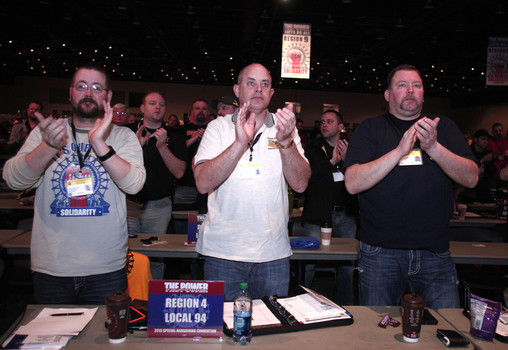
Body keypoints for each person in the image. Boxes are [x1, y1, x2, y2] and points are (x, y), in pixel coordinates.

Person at [2, 63, 146, 304]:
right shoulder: (46, 133)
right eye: (81, 86)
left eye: (96, 87)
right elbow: (14, 180)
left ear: (108, 96)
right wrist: (48, 146)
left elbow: (134, 185)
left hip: (106, 268)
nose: (88, 93)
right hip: (52, 267)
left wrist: (100, 144)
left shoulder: (122, 136)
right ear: (70, 93)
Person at [344, 64, 478, 309]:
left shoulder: (443, 128)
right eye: (402, 85)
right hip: (380, 253)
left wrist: (434, 148)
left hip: (434, 252)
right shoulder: (370, 129)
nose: (410, 90)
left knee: (446, 331)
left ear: (423, 95)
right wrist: (399, 152)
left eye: (416, 85)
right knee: (375, 335)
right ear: (388, 95)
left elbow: (471, 178)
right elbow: (352, 183)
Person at [194, 63, 311, 301]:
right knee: (223, 331)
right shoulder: (218, 127)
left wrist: (286, 141)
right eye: (251, 83)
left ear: (271, 92)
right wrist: (240, 142)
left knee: (271, 332)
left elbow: (300, 184)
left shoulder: (285, 130)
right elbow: (203, 183)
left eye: (265, 84)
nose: (258, 89)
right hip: (222, 254)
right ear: (237, 90)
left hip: (272, 255)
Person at [300, 110, 358, 305]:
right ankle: (302, 301)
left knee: (346, 263)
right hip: (318, 213)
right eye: (322, 122)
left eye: (330, 121)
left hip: (345, 213)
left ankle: (346, 304)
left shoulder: (353, 147)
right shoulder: (312, 148)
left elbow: (360, 175)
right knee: (309, 261)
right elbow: (308, 179)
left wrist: (348, 159)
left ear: (341, 127)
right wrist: (332, 161)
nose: (324, 125)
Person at [126, 91, 187, 234]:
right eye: (152, 103)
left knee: (155, 250)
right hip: (128, 203)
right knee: (128, 251)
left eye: (161, 104)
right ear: (142, 108)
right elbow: (117, 168)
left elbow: (179, 172)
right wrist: (136, 147)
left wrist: (162, 147)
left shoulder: (175, 135)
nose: (157, 107)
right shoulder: (129, 132)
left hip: (159, 204)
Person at [174, 99, 209, 211]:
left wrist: (206, 138)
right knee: (181, 223)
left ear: (208, 112)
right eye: (197, 108)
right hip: (185, 185)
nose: (201, 111)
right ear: (192, 112)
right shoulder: (181, 130)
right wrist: (194, 139)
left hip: (209, 185)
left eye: (204, 109)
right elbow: (176, 150)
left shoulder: (213, 129)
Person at [459, 129, 497, 202]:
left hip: (483, 190)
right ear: (476, 140)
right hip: (468, 189)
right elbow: (467, 169)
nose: (486, 142)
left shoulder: (488, 154)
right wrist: (482, 161)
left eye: (487, 139)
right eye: (483, 139)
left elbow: (491, 174)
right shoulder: (468, 152)